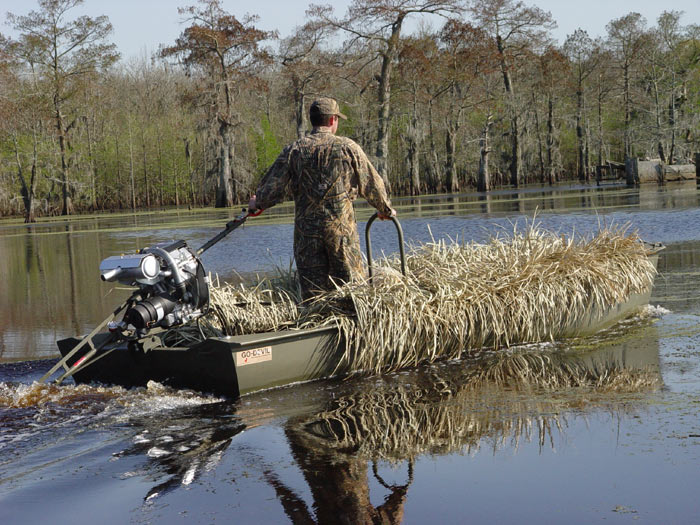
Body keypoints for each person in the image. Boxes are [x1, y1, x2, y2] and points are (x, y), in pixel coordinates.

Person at [248, 97, 396, 301]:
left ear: (312, 120)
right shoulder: (347, 147)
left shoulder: (294, 150)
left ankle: (316, 328)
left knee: (313, 297)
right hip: (341, 234)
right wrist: (385, 209)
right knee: (352, 292)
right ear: (333, 120)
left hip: (306, 236)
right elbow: (370, 182)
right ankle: (352, 328)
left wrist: (257, 203)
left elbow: (272, 187)